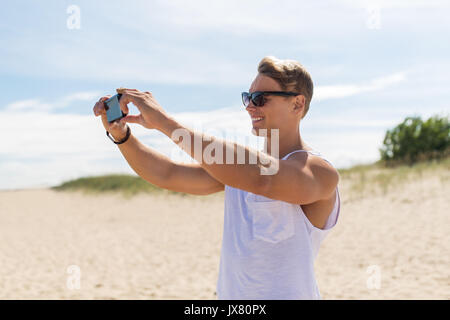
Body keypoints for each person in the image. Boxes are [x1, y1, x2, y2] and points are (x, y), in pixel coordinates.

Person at [93, 56, 340, 299]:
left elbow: (264, 179)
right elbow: (167, 173)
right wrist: (121, 135)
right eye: (248, 97)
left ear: (297, 104)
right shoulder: (239, 169)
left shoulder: (319, 171)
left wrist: (165, 123)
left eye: (259, 98)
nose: (249, 106)